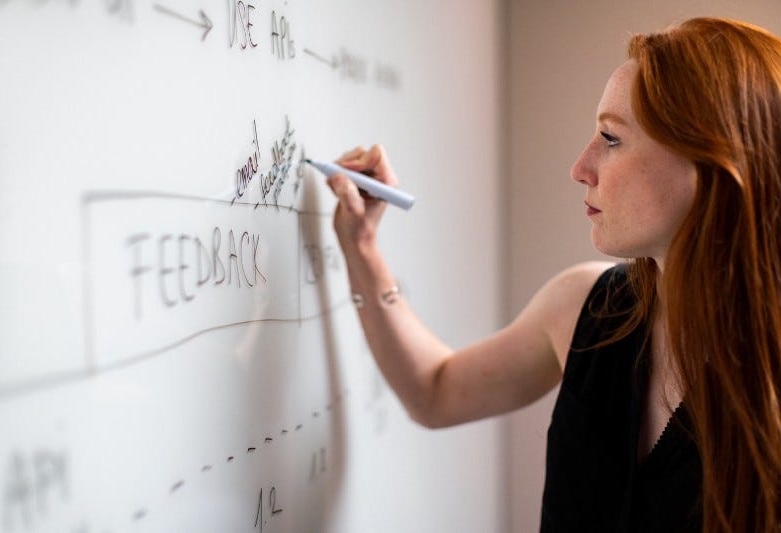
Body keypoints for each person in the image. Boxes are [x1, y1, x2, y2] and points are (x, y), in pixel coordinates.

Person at [326, 17, 781, 533]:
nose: (580, 167)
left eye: (611, 138)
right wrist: (362, 248)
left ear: (709, 166)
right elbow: (433, 391)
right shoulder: (586, 307)